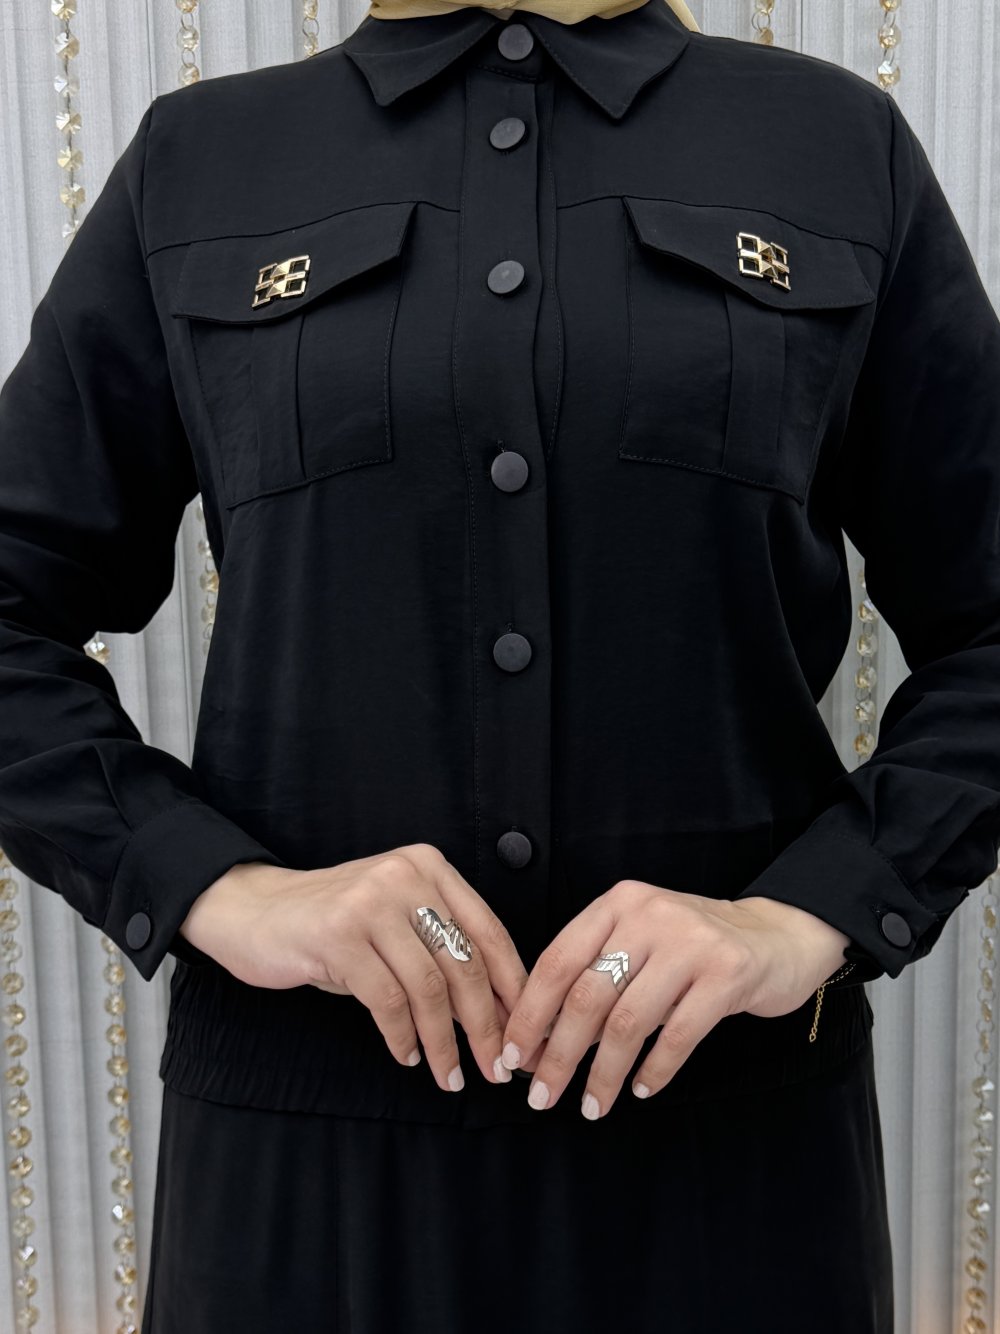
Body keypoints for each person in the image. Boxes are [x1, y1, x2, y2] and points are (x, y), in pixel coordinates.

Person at [0, 0, 997, 1328]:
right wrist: (217, 886)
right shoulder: (200, 163)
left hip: (729, 1161)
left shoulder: (832, 148)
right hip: (301, 1174)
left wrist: (807, 914)